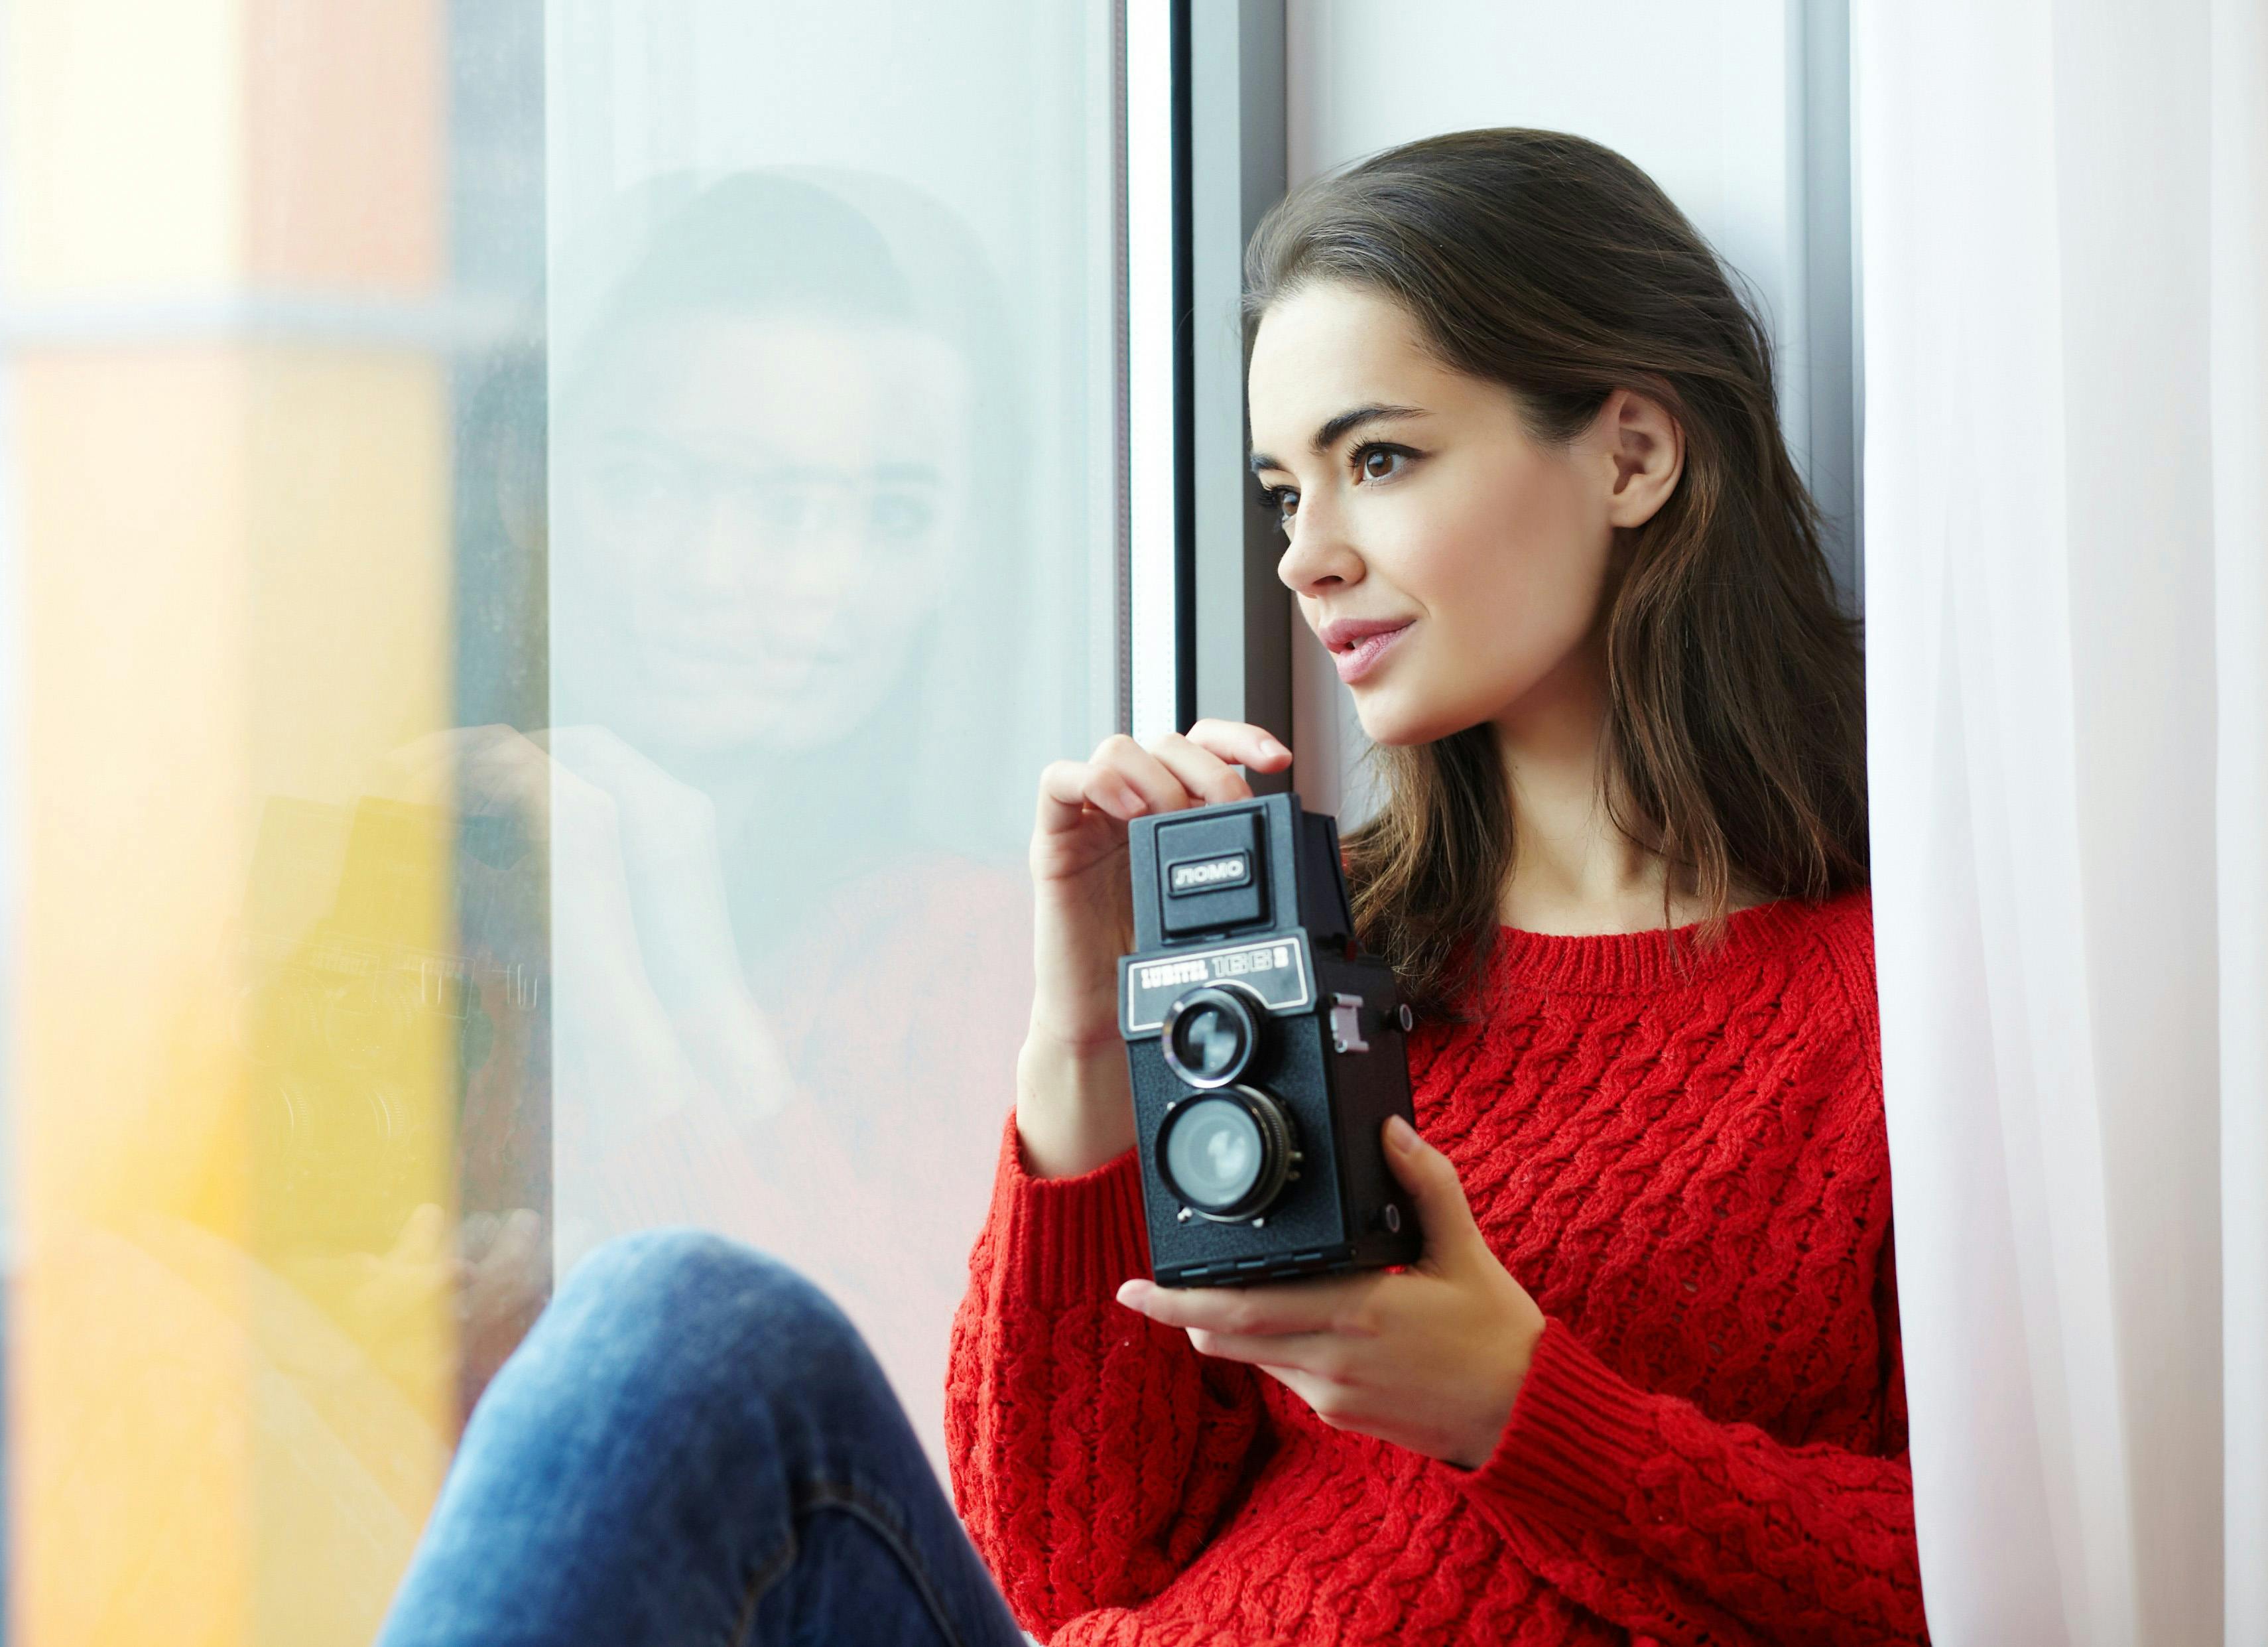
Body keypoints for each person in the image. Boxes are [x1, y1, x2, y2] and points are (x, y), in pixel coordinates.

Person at [373, 127, 1922, 1647]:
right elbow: (1056, 1561)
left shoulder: (1896, 1018)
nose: (1305, 556)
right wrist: (1084, 1038)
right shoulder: (1319, 947)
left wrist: (1519, 1409)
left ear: (1632, 454)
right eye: (1279, 493)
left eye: (1377, 460)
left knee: (678, 1322)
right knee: (675, 1328)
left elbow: (2029, 1588)